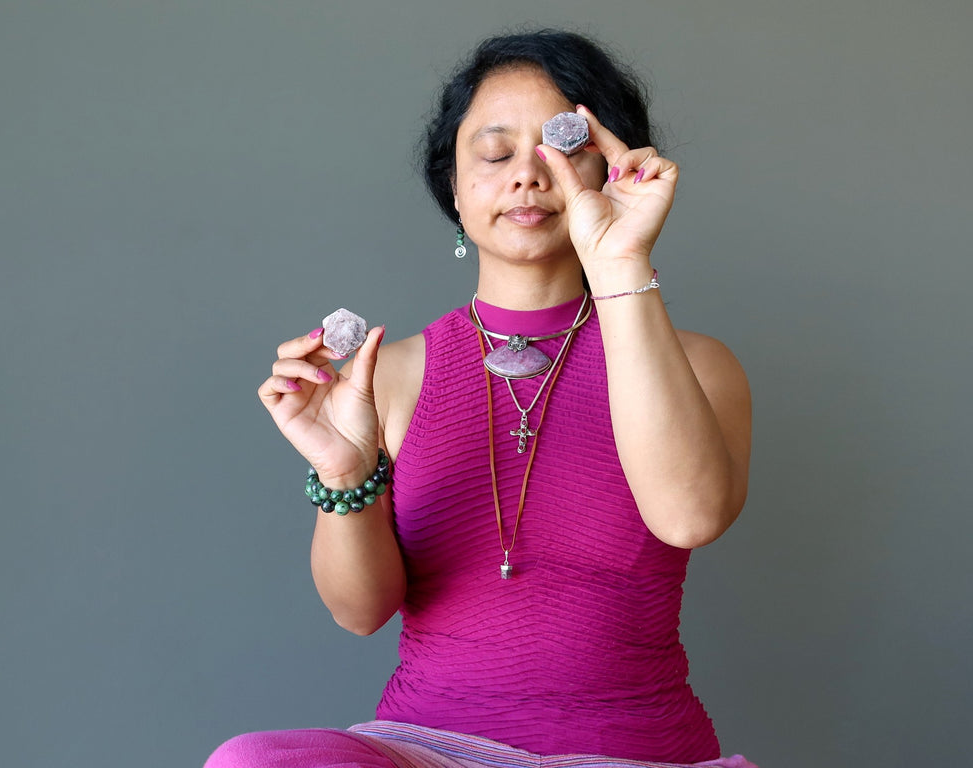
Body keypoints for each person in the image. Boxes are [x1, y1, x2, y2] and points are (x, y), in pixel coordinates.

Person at [207, 28, 755, 768]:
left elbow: (689, 516)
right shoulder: (390, 375)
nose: (527, 177)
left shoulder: (697, 363)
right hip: (428, 750)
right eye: (495, 155)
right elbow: (358, 612)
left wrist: (621, 257)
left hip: (637, 753)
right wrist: (343, 473)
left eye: (563, 148)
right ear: (456, 191)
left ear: (614, 168)